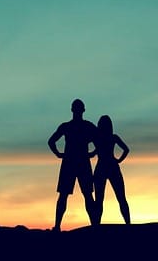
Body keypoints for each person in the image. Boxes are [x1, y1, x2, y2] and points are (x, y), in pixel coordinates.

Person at [48, 98, 98, 231]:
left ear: (73, 110)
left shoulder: (69, 126)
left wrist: (59, 154)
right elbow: (51, 141)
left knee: (81, 195)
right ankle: (59, 226)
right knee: (83, 195)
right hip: (77, 162)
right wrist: (93, 152)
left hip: (73, 162)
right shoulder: (84, 126)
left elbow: (51, 141)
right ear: (83, 110)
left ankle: (58, 226)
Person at [93, 114, 131, 225]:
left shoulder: (99, 139)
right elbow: (126, 149)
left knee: (100, 200)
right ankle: (128, 224)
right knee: (120, 198)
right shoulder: (112, 137)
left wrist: (119, 160)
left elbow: (126, 149)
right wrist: (118, 160)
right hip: (111, 166)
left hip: (103, 168)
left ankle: (97, 224)